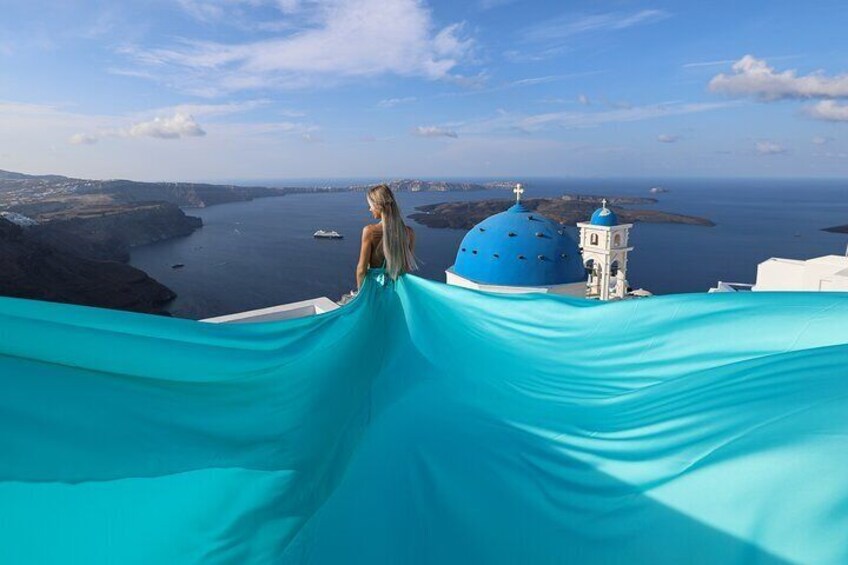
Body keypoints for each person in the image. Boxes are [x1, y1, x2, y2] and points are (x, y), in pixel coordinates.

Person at [354, 184, 417, 292]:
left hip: (374, 291)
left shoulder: (369, 231)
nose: (370, 209)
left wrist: (360, 294)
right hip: (396, 291)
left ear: (378, 206)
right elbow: (406, 268)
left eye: (371, 205)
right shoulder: (409, 233)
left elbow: (361, 269)